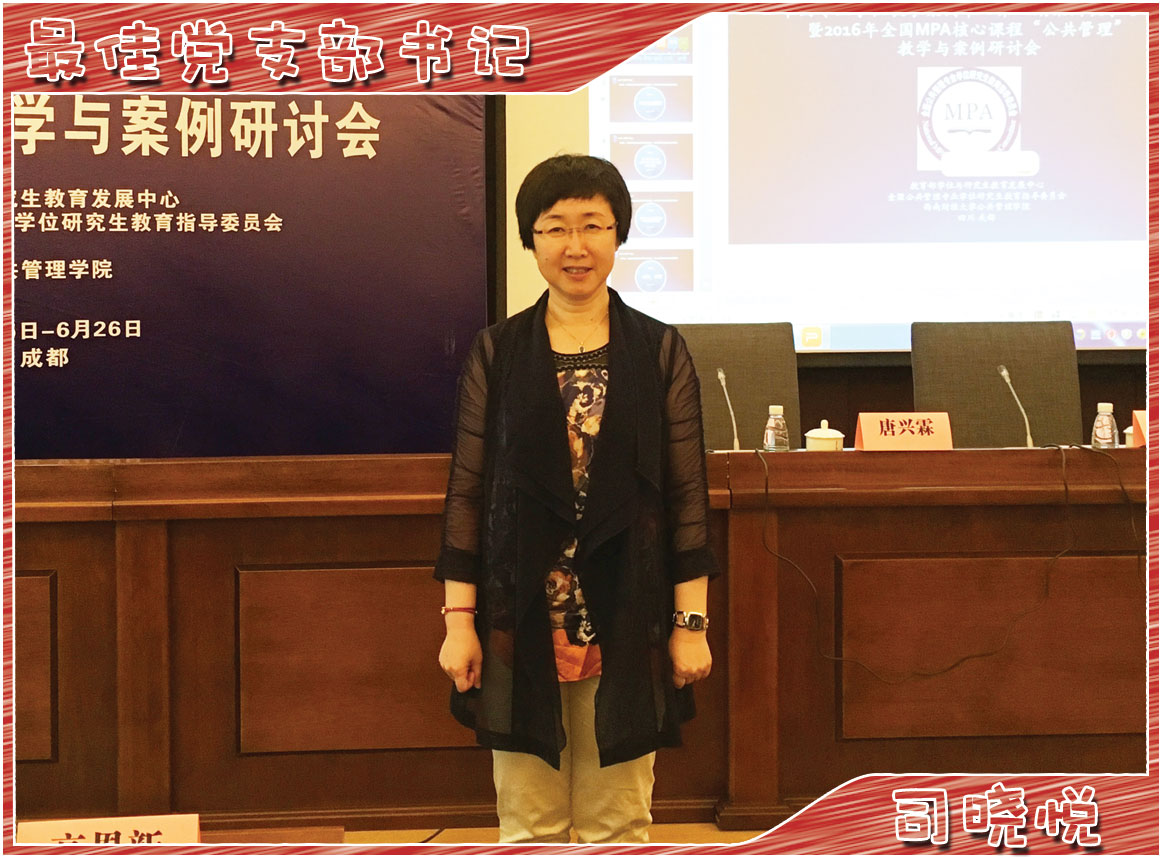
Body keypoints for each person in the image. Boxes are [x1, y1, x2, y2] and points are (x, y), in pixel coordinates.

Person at [434, 154, 718, 844]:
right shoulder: (498, 352)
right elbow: (468, 494)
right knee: (528, 822)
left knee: (618, 821)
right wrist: (459, 621)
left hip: (627, 613)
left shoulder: (659, 351)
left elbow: (686, 498)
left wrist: (691, 623)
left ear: (619, 235)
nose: (576, 245)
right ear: (531, 241)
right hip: (523, 615)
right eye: (555, 227)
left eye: (593, 225)